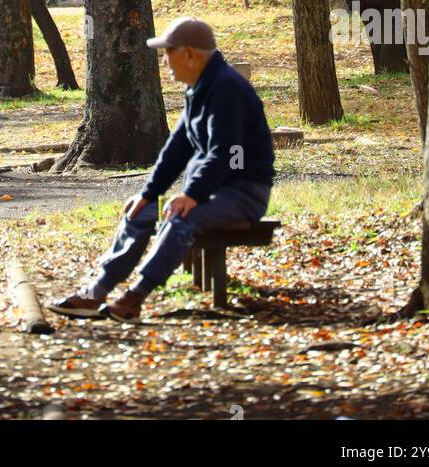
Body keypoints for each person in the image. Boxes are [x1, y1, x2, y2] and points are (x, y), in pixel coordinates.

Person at [49, 17, 275, 323]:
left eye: (169, 52)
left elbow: (227, 152)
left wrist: (192, 195)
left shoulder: (226, 89)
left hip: (243, 192)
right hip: (214, 191)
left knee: (181, 215)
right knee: (140, 210)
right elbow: (177, 148)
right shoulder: (199, 88)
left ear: (190, 54)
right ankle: (95, 293)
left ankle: (135, 298)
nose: (165, 60)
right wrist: (148, 193)